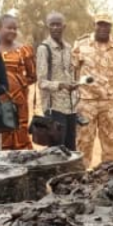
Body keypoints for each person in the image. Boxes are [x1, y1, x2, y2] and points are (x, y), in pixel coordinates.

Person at [72, 13, 113, 167]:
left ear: (111, 27)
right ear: (95, 25)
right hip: (86, 102)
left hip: (109, 103)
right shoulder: (81, 44)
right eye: (100, 24)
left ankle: (109, 178)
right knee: (84, 142)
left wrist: (107, 85)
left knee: (109, 142)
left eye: (107, 25)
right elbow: (74, 69)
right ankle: (82, 178)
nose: (103, 28)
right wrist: (85, 86)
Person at [37, 12, 78, 150]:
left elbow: (70, 73)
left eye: (58, 24)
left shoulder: (68, 48)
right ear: (48, 27)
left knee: (71, 149)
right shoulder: (44, 49)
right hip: (53, 107)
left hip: (70, 107)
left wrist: (75, 84)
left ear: (64, 26)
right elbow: (41, 82)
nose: (55, 28)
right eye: (52, 25)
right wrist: (60, 85)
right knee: (57, 150)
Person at [0, 15, 36, 150]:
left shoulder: (24, 50)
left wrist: (17, 86)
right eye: (9, 28)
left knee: (21, 132)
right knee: (1, 132)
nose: (13, 31)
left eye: (15, 28)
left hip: (20, 103)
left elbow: (33, 76)